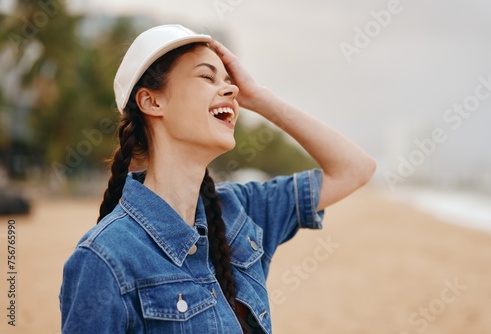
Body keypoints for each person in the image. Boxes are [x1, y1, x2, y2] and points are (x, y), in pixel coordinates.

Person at [60, 24, 376, 333]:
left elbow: (355, 169)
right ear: (152, 101)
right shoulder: (104, 257)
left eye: (228, 80)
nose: (231, 89)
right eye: (207, 77)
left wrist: (259, 97)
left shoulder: (240, 211)